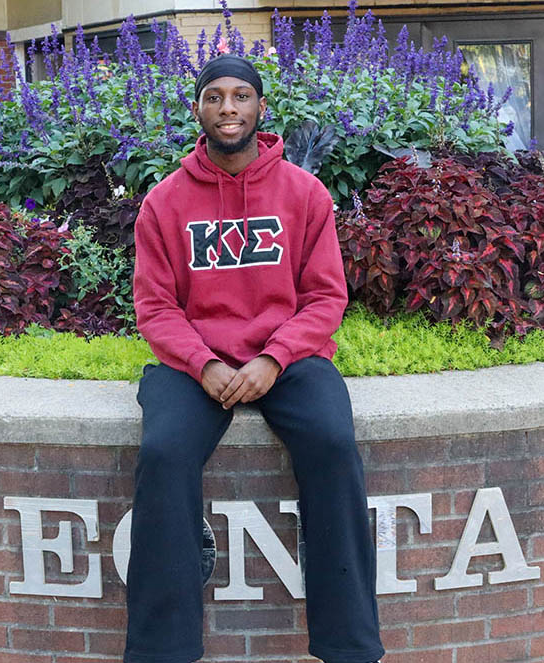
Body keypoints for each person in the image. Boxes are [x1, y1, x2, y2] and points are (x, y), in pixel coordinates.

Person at [125, 54, 385, 663]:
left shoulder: (303, 192)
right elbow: (155, 308)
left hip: (289, 358)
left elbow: (325, 297)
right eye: (214, 96)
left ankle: (349, 645)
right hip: (196, 362)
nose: (229, 108)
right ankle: (164, 649)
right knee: (163, 454)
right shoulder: (163, 203)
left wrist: (274, 358)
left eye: (241, 96)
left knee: (332, 444)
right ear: (198, 109)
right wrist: (204, 363)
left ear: (261, 108)